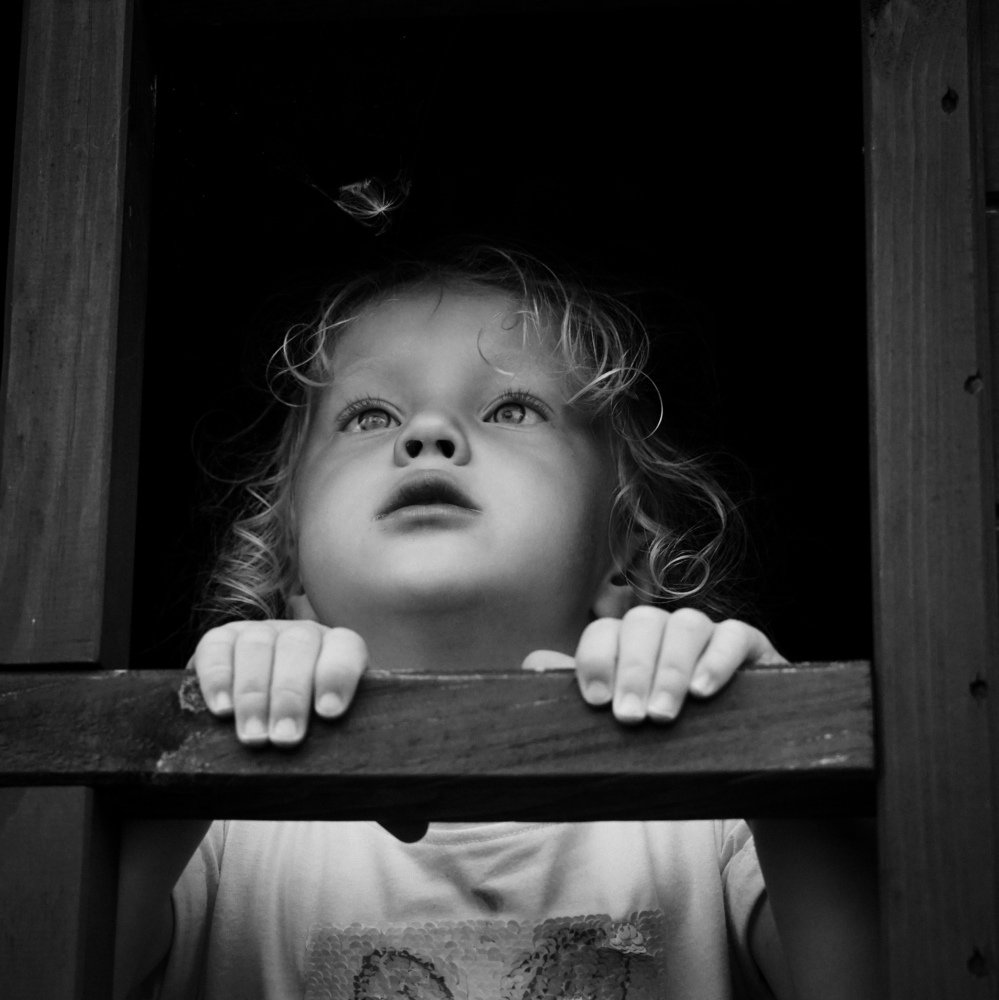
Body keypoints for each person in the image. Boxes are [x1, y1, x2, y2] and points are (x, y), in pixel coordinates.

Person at [114, 247, 879, 999]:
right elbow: (46, 950)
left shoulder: (709, 814)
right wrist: (197, 732)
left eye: (512, 408)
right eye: (370, 414)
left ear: (623, 546)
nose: (429, 434)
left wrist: (769, 737)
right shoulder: (223, 830)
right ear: (288, 560)